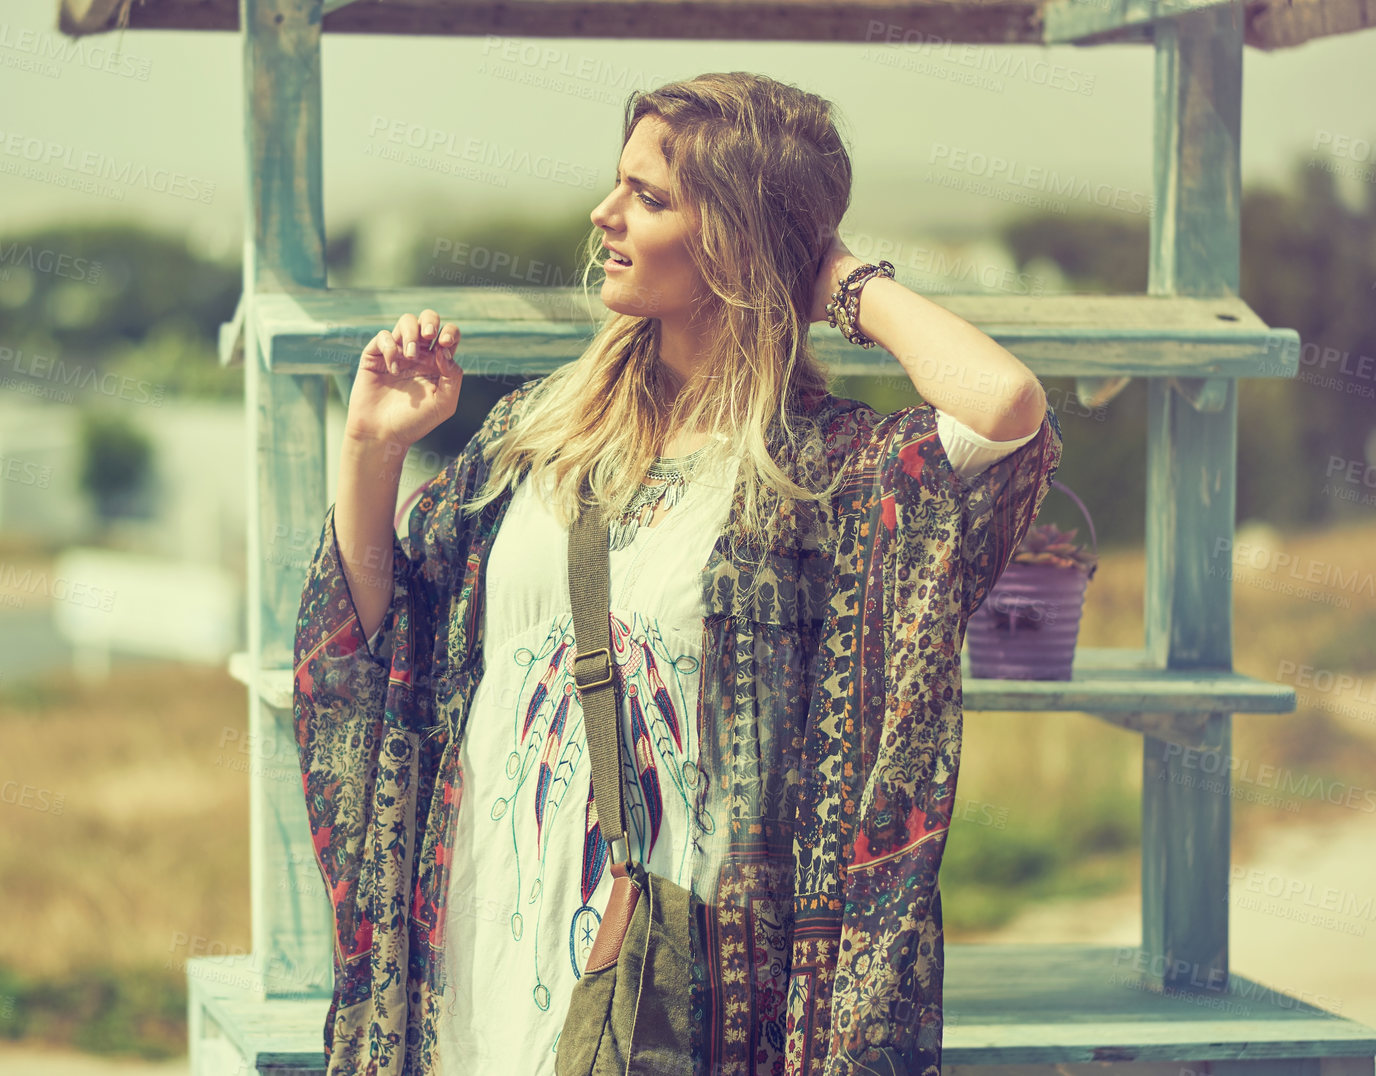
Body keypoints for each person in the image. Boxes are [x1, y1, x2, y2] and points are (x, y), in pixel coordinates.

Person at [292, 71, 1063, 1076]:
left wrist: (834, 275)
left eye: (648, 197)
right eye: (617, 185)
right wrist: (369, 449)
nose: (602, 215)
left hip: (675, 987)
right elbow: (371, 647)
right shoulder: (533, 434)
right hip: (476, 953)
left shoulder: (819, 470)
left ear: (735, 235)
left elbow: (1002, 406)